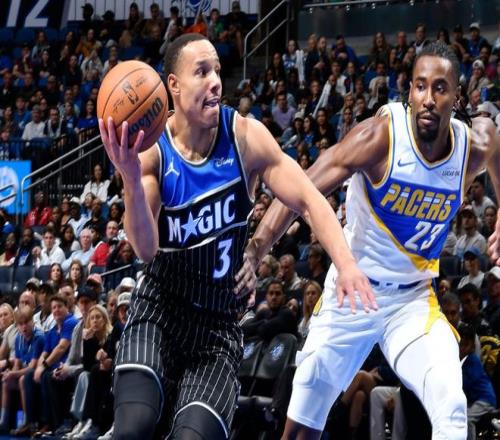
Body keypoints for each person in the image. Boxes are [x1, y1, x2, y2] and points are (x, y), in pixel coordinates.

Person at [98, 33, 372, 439]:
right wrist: (130, 179)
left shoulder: (245, 137)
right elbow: (145, 247)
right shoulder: (154, 151)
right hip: (160, 310)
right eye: (201, 72)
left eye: (217, 71)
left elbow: (309, 198)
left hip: (218, 324)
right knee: (133, 427)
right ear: (173, 85)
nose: (215, 82)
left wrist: (346, 264)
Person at [244, 41, 500, 439]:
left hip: (413, 300)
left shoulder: (472, 146)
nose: (428, 98)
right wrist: (256, 248)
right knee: (301, 425)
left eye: (439, 88)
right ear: (409, 91)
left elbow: (494, 145)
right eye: (419, 86)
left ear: (456, 96)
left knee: (451, 404)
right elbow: (302, 188)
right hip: (354, 291)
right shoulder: (380, 137)